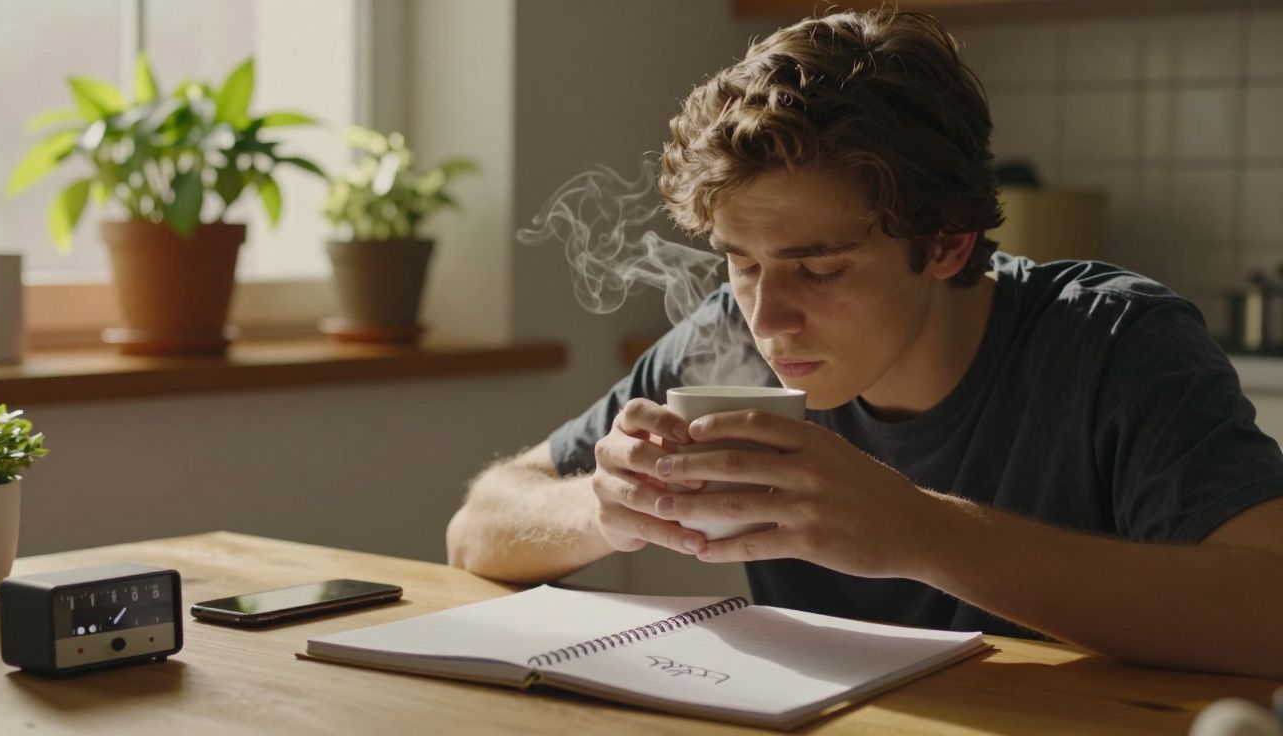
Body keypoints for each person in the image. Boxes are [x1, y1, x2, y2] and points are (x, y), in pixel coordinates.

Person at [446, 9, 1283, 679]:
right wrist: (604, 505)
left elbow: (1267, 608)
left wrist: (919, 532)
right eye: (743, 263)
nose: (769, 318)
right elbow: (477, 527)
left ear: (948, 242)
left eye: (820, 269)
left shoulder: (1114, 344)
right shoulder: (725, 340)